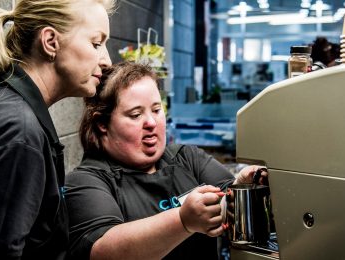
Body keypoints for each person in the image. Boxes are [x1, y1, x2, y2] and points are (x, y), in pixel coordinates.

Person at [0, 0, 116, 259]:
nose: (107, 60)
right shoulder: (17, 131)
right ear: (51, 42)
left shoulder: (5, 108)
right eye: (96, 44)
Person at [65, 62, 267, 260]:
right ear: (102, 123)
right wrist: (182, 220)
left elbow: (227, 204)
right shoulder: (86, 181)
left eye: (156, 110)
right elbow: (103, 252)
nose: (151, 123)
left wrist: (242, 187)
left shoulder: (187, 158)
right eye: (136, 115)